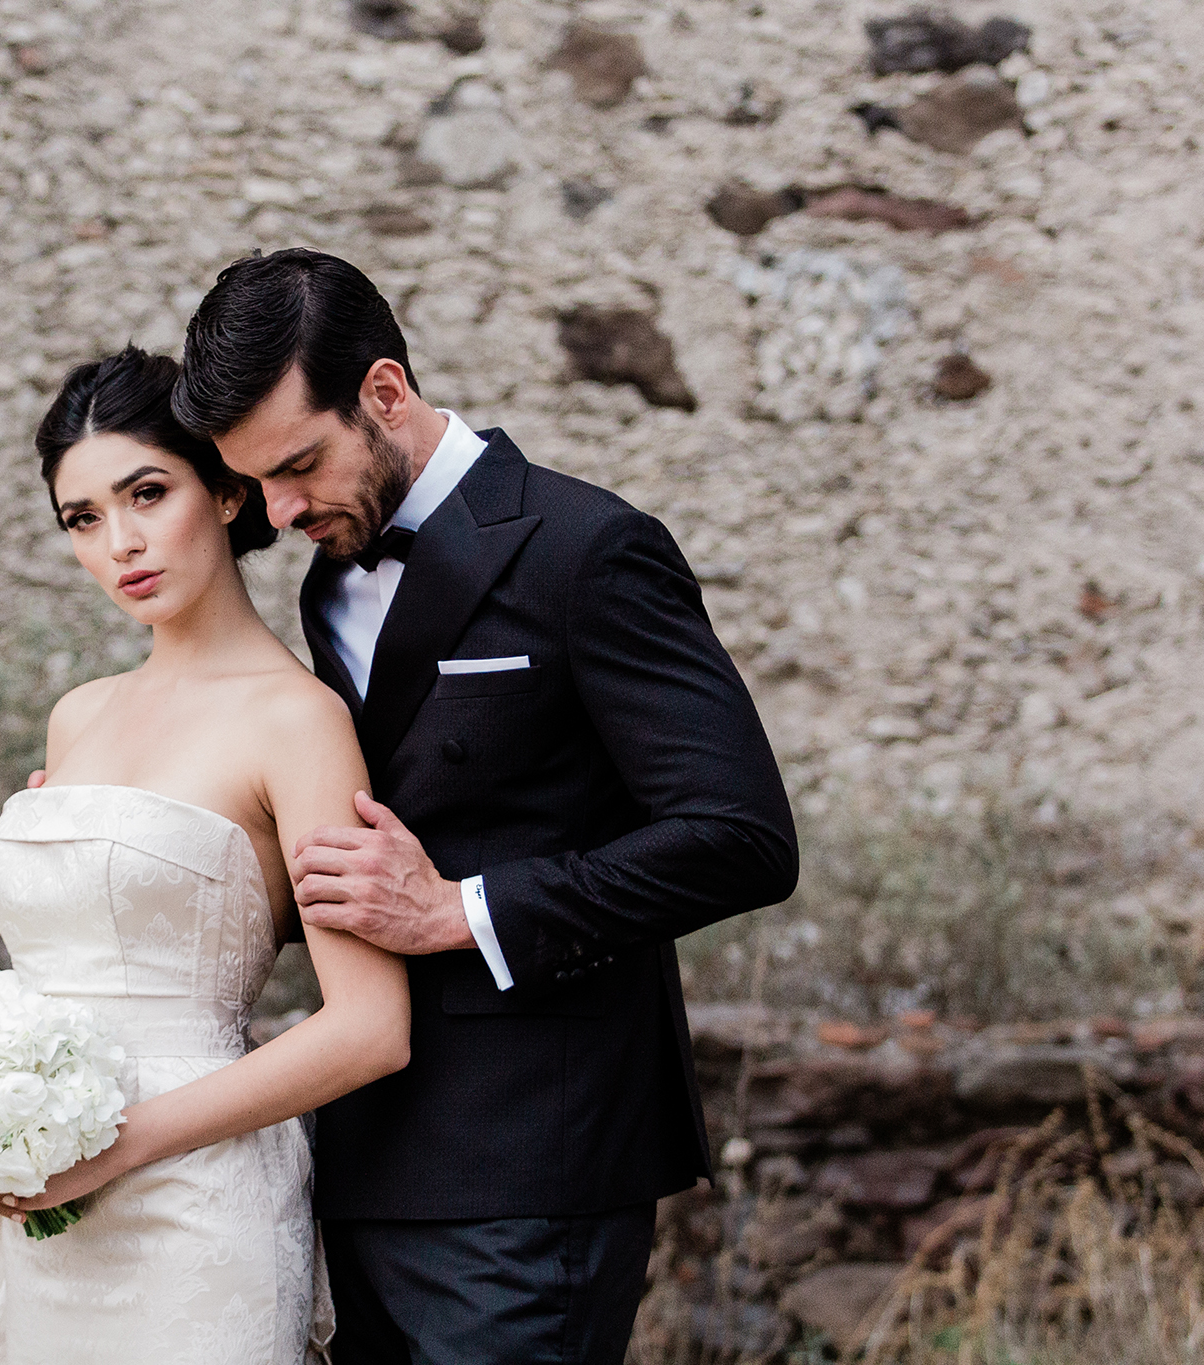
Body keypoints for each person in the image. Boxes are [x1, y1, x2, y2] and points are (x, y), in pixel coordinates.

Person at [171, 248, 800, 1365]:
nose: (274, 511)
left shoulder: (589, 550)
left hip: (534, 1166)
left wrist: (461, 913)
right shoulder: (330, 579)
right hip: (360, 1149)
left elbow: (739, 838)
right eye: (253, 482)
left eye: (298, 466)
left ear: (383, 393)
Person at [0, 345, 410, 1365]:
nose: (122, 543)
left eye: (147, 493)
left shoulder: (297, 721)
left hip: (194, 1209)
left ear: (228, 492)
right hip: (53, 1206)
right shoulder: (77, 718)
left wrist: (124, 1142)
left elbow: (370, 1029)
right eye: (84, 518)